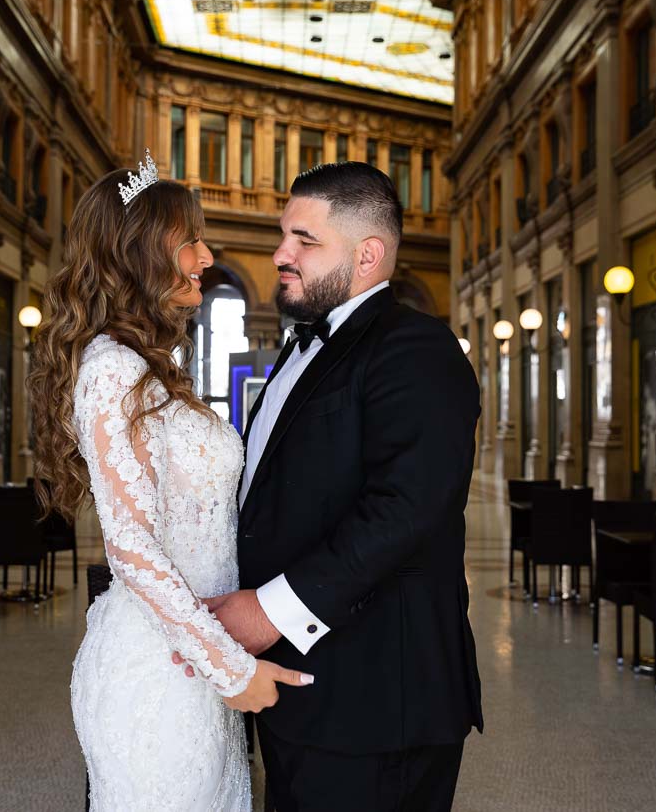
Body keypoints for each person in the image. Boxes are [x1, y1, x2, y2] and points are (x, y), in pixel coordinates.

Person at [181, 161, 483, 811]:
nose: (281, 254)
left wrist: (265, 611)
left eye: (304, 240)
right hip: (295, 696)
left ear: (368, 254)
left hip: (378, 706)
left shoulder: (419, 349)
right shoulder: (296, 350)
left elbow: (405, 510)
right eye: (284, 234)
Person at [27, 151, 311, 812]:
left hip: (190, 664)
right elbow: (131, 547)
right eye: (190, 242)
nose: (207, 256)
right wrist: (231, 668)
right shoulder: (111, 368)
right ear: (140, 256)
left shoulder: (150, 366)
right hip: (160, 677)